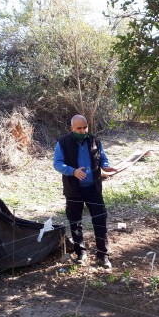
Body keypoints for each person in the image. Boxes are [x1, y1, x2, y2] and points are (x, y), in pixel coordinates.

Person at [53, 115, 117, 269]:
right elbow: (57, 163)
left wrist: (106, 166)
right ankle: (80, 252)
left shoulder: (95, 140)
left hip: (93, 188)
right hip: (73, 189)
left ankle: (103, 255)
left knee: (100, 220)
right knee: (75, 222)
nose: (83, 131)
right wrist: (73, 171)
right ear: (72, 128)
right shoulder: (63, 142)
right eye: (79, 128)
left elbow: (102, 157)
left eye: (85, 127)